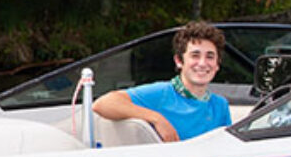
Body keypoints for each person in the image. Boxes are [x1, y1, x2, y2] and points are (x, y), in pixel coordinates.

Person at [93, 21, 231, 142]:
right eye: (195, 55)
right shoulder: (161, 93)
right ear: (179, 61)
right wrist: (157, 119)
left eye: (210, 57)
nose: (202, 63)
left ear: (217, 64)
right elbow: (103, 104)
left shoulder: (220, 105)